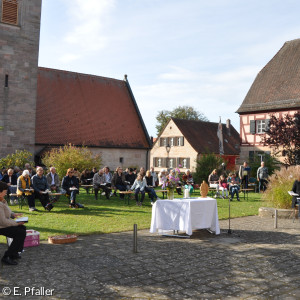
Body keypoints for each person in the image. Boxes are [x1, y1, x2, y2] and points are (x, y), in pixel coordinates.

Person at [0, 182, 26, 265]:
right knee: (20, 232)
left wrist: (13, 214)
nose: (6, 193)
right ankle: (7, 256)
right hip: (1, 226)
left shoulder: (2, 200)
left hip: (3, 225)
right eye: (5, 191)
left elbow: (6, 211)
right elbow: (3, 221)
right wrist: (16, 223)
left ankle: (14, 252)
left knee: (23, 228)